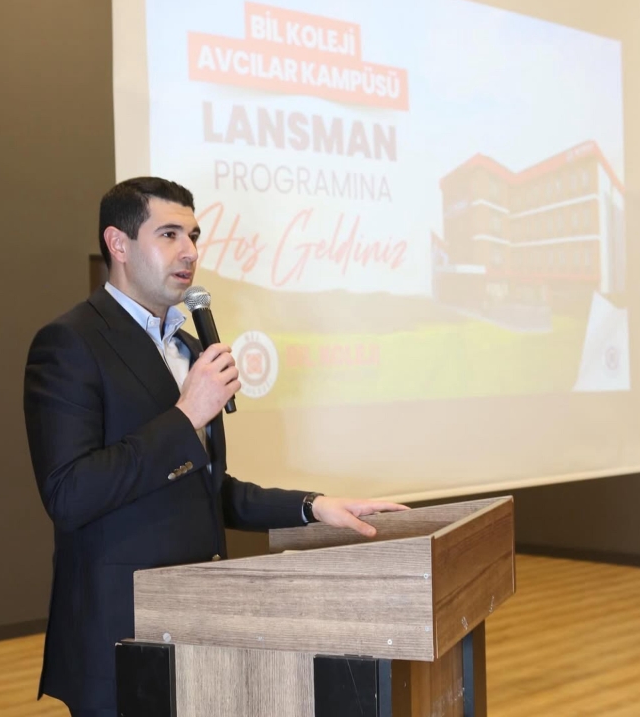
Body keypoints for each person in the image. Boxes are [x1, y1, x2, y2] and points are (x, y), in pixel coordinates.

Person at [23, 176, 408, 717]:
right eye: (169, 234)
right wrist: (186, 416)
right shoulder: (70, 343)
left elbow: (204, 491)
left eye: (194, 235)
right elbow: (69, 494)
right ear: (118, 244)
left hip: (201, 622)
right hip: (119, 635)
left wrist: (313, 507)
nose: (190, 251)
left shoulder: (187, 346)